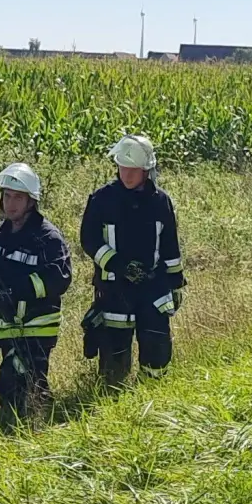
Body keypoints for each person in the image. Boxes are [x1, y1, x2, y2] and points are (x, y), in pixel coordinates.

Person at [0, 163, 73, 428]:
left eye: (18, 197)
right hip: (7, 325)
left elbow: (59, 279)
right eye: (7, 196)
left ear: (31, 201)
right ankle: (38, 426)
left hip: (36, 326)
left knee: (15, 381)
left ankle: (21, 430)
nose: (11, 203)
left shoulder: (48, 237)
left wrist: (15, 293)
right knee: (25, 385)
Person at [79, 135, 186, 387]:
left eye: (133, 169)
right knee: (114, 355)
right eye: (123, 167)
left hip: (153, 288)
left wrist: (176, 282)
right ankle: (113, 398)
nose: (127, 174)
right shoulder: (102, 199)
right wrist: (118, 265)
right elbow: (89, 239)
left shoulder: (161, 202)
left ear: (147, 170)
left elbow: (170, 244)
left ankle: (153, 394)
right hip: (115, 289)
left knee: (156, 347)